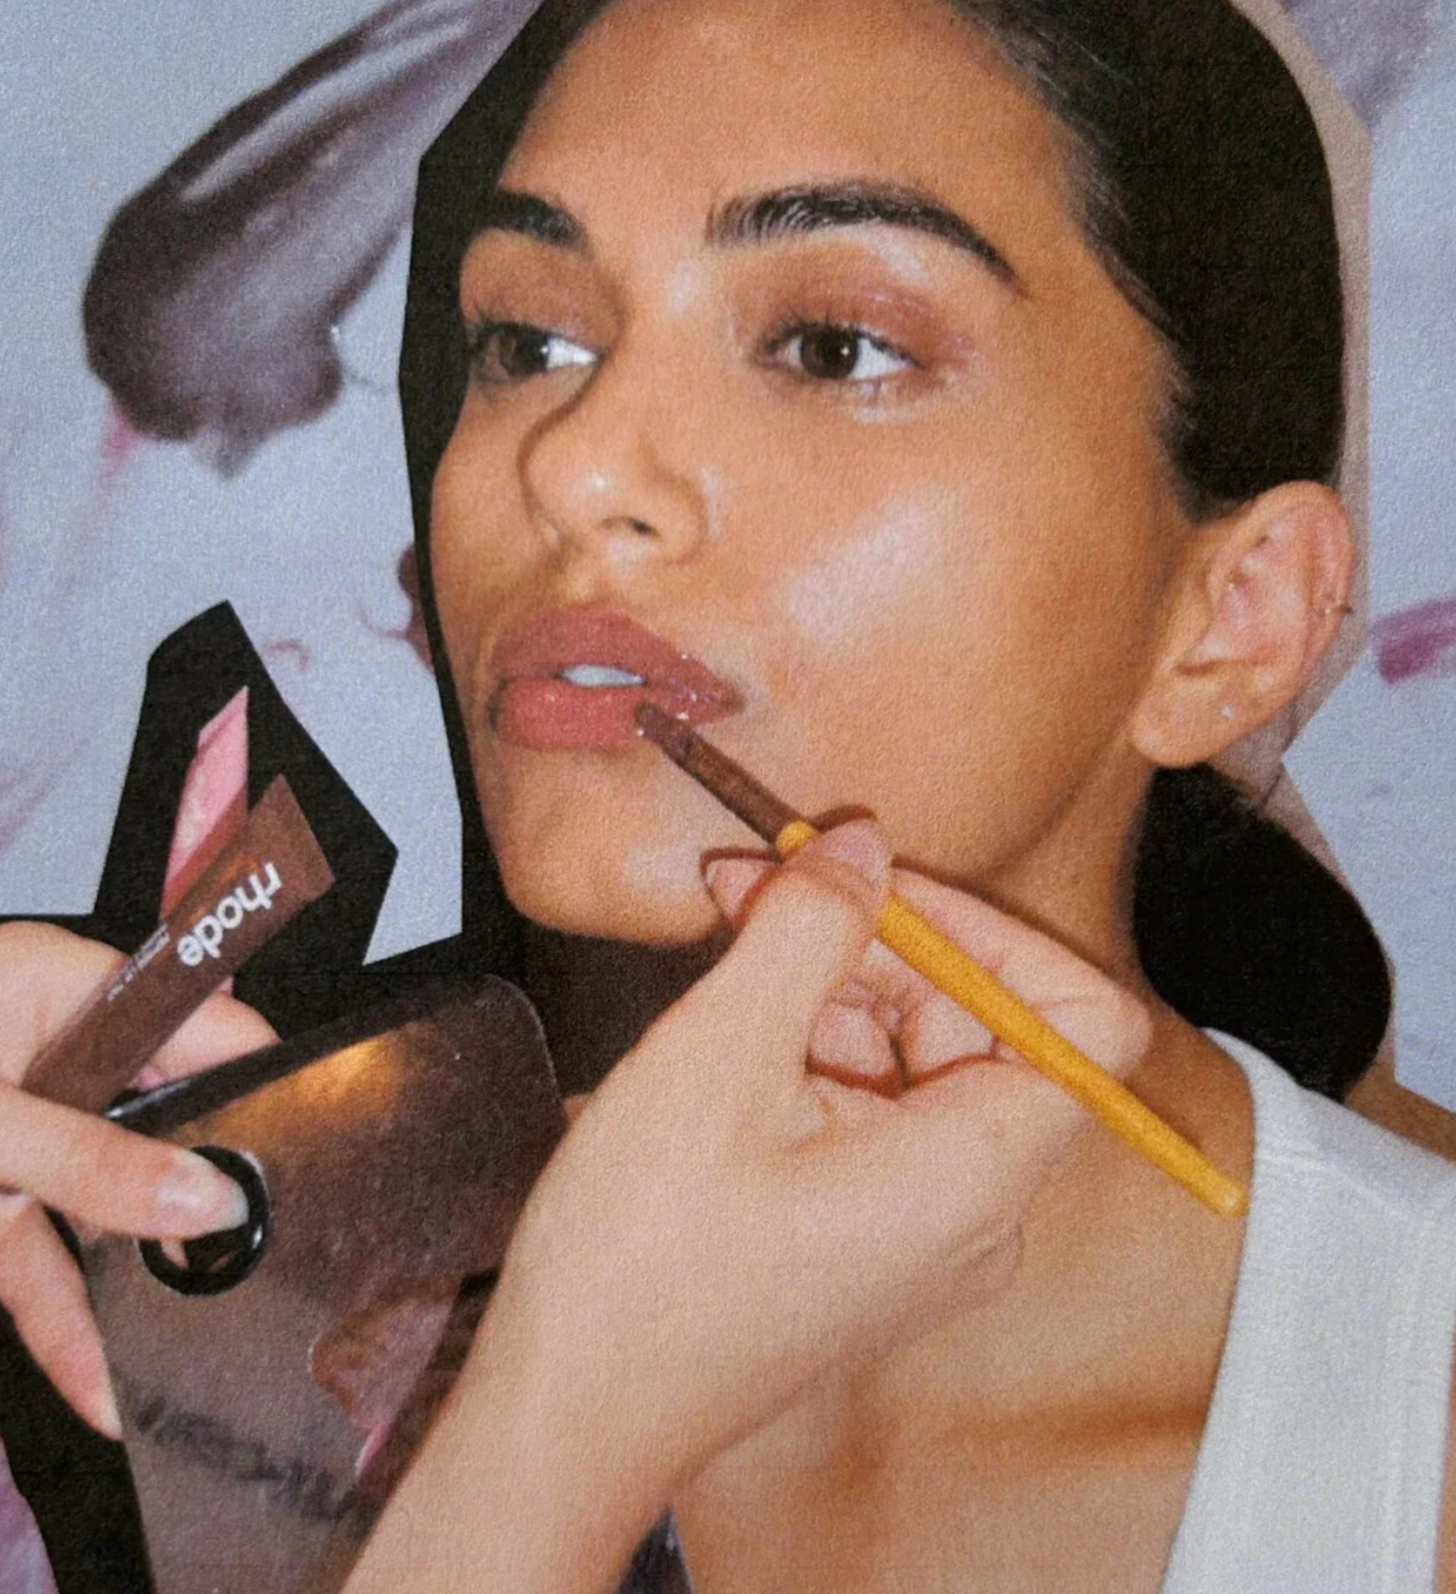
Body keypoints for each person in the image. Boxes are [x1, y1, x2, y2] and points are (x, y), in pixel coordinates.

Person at [4, 0, 1456, 1588]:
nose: (573, 464)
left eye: (835, 347)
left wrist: (547, 1445)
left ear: (1232, 618)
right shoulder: (216, 1311)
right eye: (528, 343)